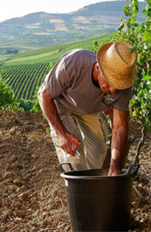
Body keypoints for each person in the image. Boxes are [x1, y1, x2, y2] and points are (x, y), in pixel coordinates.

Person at [37, 41, 137, 176]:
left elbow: (120, 128)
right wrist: (61, 134)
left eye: (117, 84)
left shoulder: (123, 88)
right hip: (62, 105)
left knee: (99, 150)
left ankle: (92, 185)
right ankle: (78, 190)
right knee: (74, 154)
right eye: (110, 81)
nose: (113, 90)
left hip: (88, 110)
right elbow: (44, 95)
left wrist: (115, 166)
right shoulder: (73, 63)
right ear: (98, 68)